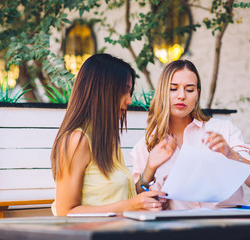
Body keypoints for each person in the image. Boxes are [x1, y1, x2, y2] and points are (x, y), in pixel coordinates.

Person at [131, 59, 250, 210]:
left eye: (189, 90)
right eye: (173, 88)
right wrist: (150, 169)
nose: (181, 96)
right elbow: (137, 199)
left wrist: (231, 154)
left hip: (228, 225)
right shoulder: (145, 145)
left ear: (197, 95)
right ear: (162, 92)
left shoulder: (223, 130)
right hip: (178, 228)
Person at [51, 53, 166, 216]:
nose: (129, 100)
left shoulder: (104, 140)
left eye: (130, 92)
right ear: (102, 91)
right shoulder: (77, 140)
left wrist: (150, 167)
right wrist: (130, 206)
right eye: (124, 91)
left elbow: (118, 199)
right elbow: (65, 211)